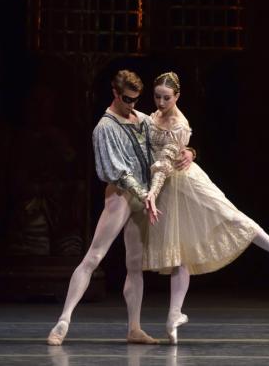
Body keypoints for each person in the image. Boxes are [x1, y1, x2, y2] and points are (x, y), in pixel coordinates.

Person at [142, 72, 269, 344]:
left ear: (177, 97)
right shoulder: (153, 117)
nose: (161, 102)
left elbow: (164, 164)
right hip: (167, 192)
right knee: (179, 253)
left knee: (232, 216)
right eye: (157, 97)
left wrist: (153, 191)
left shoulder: (179, 124)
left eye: (167, 98)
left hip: (186, 184)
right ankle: (173, 315)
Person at [47, 70, 193, 346]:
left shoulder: (143, 119)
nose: (131, 104)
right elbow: (116, 171)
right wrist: (145, 195)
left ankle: (134, 328)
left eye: (136, 100)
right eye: (127, 99)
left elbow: (167, 143)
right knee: (94, 255)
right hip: (122, 195)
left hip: (146, 196)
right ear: (115, 93)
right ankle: (63, 320)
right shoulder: (105, 127)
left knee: (135, 264)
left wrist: (189, 152)